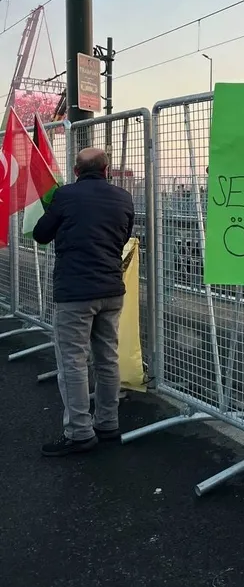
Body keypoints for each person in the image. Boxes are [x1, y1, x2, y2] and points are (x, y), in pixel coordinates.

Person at [33, 147, 134, 458]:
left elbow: (40, 234)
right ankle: (108, 423)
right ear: (106, 170)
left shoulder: (65, 196)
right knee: (107, 359)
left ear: (76, 171)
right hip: (111, 289)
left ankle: (79, 432)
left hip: (75, 292)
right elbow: (123, 235)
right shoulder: (124, 198)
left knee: (73, 363)